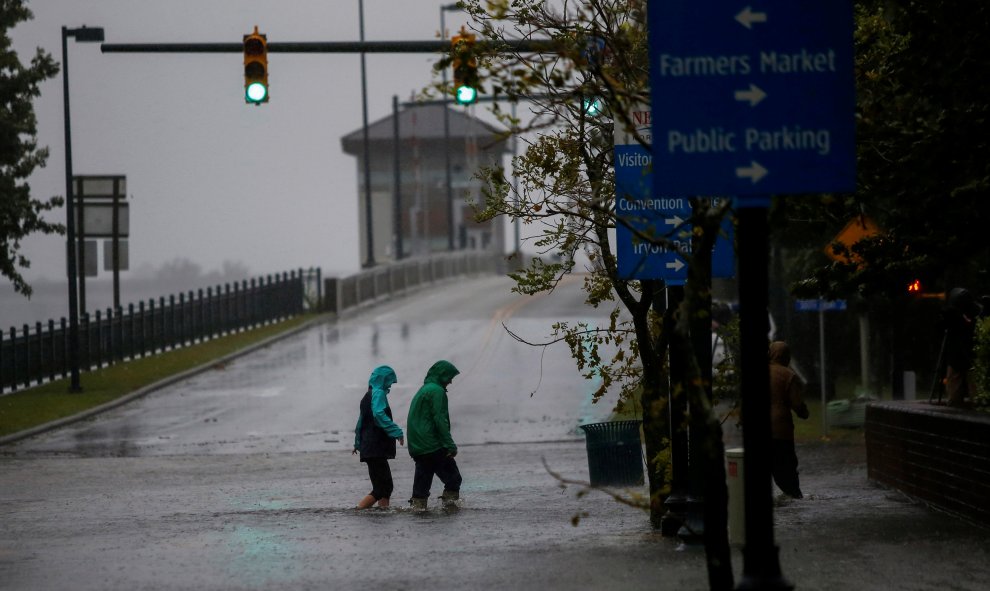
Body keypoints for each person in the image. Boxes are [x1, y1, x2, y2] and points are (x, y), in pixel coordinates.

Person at [406, 360, 462, 510]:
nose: (450, 381)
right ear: (442, 375)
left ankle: (418, 512)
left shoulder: (424, 390)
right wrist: (450, 445)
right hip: (432, 444)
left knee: (421, 488)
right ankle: (450, 510)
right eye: (449, 377)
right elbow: (439, 420)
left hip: (418, 446)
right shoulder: (437, 391)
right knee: (454, 479)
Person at [352, 365, 404, 509]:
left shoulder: (367, 395)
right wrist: (397, 431)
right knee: (382, 488)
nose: (390, 386)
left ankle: (384, 511)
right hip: (376, 448)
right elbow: (378, 415)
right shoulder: (378, 394)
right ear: (383, 380)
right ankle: (358, 511)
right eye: (389, 382)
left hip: (369, 448)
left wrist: (357, 443)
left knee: (384, 487)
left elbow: (360, 422)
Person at [769, 341, 810, 499]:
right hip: (780, 431)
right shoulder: (788, 375)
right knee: (786, 470)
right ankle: (795, 499)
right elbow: (797, 404)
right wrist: (804, 412)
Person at [942, 287, 983, 407]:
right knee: (954, 396)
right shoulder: (954, 315)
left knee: (977, 396)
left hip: (972, 356)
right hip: (957, 356)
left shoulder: (975, 313)